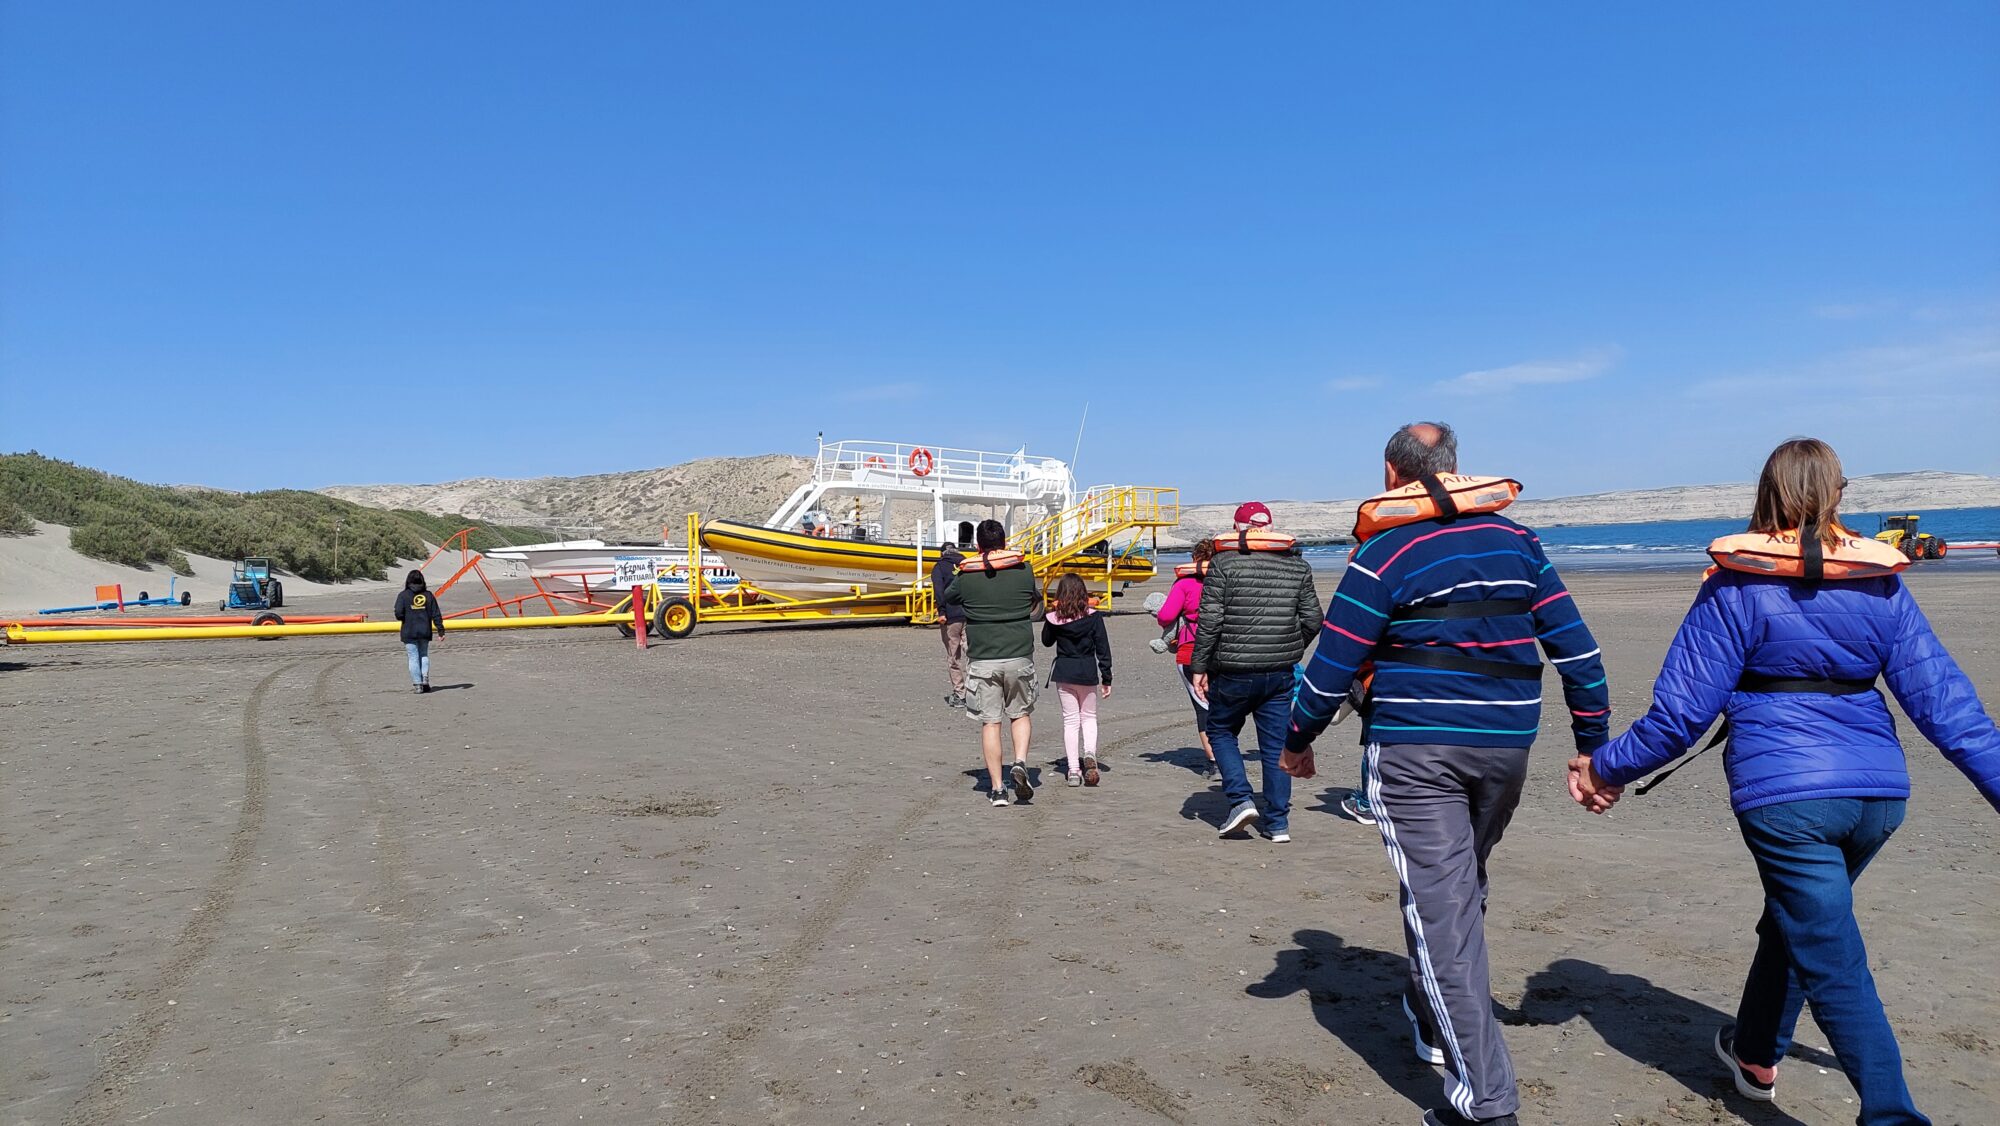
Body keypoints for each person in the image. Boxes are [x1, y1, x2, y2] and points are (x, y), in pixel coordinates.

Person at [1572, 438, 2000, 1126]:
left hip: (1788, 800)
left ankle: (1892, 1115)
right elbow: (1951, 712)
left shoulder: (1737, 586)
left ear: (1766, 493)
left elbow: (1681, 716)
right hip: (1877, 800)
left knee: (1834, 960)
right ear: (1838, 493)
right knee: (1797, 922)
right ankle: (1756, 1053)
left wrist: (1602, 767)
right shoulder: (1880, 585)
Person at [1284, 422, 1610, 1126]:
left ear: (1390, 474)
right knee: (1459, 891)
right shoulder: (1518, 543)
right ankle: (1435, 1017)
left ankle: (1485, 1104)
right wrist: (1593, 747)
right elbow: (1580, 655)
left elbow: (1333, 661)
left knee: (1445, 917)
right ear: (1455, 469)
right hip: (1506, 749)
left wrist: (1296, 740)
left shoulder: (1386, 549)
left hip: (1416, 753)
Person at [1190, 501, 1322, 843]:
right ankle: (1278, 823)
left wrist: (1199, 666)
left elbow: (1210, 621)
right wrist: (1291, 648)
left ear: (1239, 528)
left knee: (1219, 730)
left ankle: (1241, 799)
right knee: (1277, 743)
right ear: (1269, 527)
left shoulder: (1223, 564)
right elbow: (1313, 620)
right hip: (1279, 671)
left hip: (1231, 668)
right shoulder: (1297, 566)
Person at [939, 519, 1043, 806]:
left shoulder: (967, 575)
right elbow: (1035, 599)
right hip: (1019, 652)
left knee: (990, 722)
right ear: (1005, 543)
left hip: (984, 657)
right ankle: (1020, 762)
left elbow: (949, 596)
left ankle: (998, 788)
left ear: (978, 546)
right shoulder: (1024, 570)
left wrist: (968, 566)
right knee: (1020, 714)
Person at [1043, 574, 1113, 787]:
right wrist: (1106, 677)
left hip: (1065, 671)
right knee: (1089, 717)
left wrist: (1052, 614)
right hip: (1087, 670)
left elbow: (1046, 642)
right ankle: (1089, 754)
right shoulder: (1093, 616)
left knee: (1070, 721)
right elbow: (1103, 648)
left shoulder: (1056, 617)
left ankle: (1074, 770)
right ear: (1084, 593)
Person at [1156, 538, 1218, 776]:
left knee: (1203, 707)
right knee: (1223, 705)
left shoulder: (1184, 583)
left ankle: (1214, 760)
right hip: (1224, 651)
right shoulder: (1226, 580)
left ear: (1195, 559)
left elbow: (1166, 616)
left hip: (1190, 649)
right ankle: (1228, 752)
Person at [931, 538, 968, 708]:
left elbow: (939, 591)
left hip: (951, 617)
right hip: (970, 615)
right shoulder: (967, 564)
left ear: (942, 553)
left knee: (954, 656)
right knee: (973, 654)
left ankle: (960, 694)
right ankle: (977, 691)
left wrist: (942, 612)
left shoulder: (939, 567)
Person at [393, 569, 444, 693]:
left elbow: (398, 613)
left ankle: (417, 684)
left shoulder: (403, 595)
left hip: (409, 631)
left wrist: (406, 617)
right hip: (424, 630)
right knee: (424, 655)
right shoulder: (428, 595)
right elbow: (436, 613)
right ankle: (425, 680)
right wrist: (440, 630)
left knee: (413, 657)